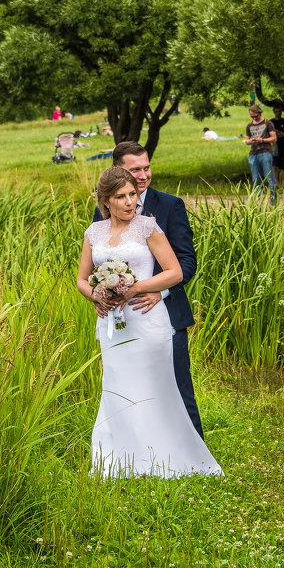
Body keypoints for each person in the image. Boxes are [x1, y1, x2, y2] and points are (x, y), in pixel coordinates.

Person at [80, 165, 222, 478]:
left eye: (132, 194)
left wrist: (136, 287)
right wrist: (96, 294)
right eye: (121, 196)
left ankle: (165, 459)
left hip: (147, 319)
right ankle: (123, 460)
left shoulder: (148, 228)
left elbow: (175, 271)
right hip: (113, 325)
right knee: (117, 386)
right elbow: (81, 279)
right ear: (106, 201)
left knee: (155, 387)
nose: (130, 201)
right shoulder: (94, 233)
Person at [92, 141, 205, 439]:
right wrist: (100, 292)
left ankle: (192, 448)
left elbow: (186, 263)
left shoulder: (169, 206)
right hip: (120, 320)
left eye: (147, 167)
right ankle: (138, 449)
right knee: (127, 385)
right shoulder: (103, 211)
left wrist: (159, 291)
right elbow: (100, 256)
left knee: (177, 386)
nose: (142, 176)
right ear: (118, 171)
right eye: (135, 170)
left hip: (165, 313)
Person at [243, 105, 278, 205]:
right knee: (255, 179)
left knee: (269, 178)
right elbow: (247, 140)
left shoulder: (268, 123)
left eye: (256, 116)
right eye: (252, 117)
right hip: (253, 154)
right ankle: (258, 203)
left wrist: (262, 140)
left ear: (259, 113)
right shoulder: (249, 126)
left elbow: (274, 138)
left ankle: (273, 203)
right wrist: (249, 141)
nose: (254, 118)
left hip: (265, 152)